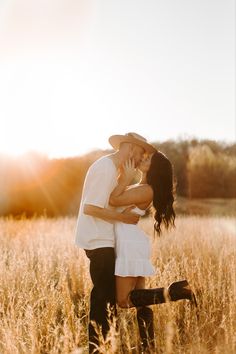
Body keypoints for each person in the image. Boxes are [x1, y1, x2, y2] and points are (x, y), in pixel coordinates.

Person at [75, 132, 156, 353]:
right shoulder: (105, 168)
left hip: (107, 239)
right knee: (103, 300)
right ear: (129, 148)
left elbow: (114, 201)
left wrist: (128, 181)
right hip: (98, 240)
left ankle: (105, 345)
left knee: (108, 300)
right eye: (140, 153)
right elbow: (90, 208)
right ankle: (97, 349)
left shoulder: (117, 171)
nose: (140, 159)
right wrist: (124, 217)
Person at [109, 149, 197, 352]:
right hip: (132, 239)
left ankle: (175, 292)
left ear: (154, 168)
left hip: (128, 242)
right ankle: (148, 348)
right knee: (141, 300)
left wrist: (124, 179)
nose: (143, 158)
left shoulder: (146, 189)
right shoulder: (142, 186)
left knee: (123, 300)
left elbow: (113, 201)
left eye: (148, 159)